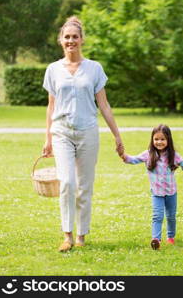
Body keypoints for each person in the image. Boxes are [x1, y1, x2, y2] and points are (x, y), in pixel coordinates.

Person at [42, 16, 124, 252]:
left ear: (82, 40)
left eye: (74, 37)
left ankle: (81, 234)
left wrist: (117, 136)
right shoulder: (53, 70)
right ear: (61, 40)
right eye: (66, 37)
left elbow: (104, 105)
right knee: (67, 182)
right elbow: (51, 106)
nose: (71, 41)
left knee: (84, 186)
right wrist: (47, 138)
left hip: (88, 132)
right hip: (61, 133)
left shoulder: (94, 68)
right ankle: (66, 235)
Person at [121, 124, 183, 250]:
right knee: (157, 216)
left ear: (168, 140)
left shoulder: (173, 155)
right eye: (156, 139)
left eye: (162, 139)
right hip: (156, 193)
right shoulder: (148, 154)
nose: (159, 142)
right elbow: (133, 159)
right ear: (152, 140)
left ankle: (170, 237)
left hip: (171, 192)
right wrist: (123, 154)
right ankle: (156, 239)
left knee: (171, 216)